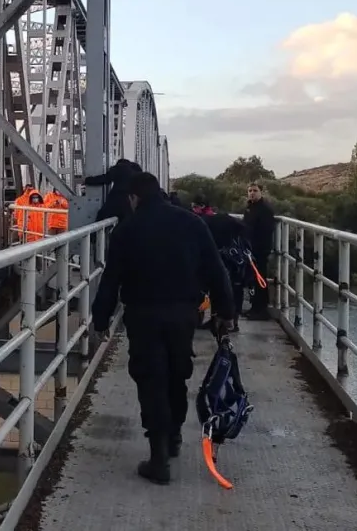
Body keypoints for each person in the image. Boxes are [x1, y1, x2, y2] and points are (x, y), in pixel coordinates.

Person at [90, 172, 234, 486]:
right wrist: (226, 311)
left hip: (143, 316)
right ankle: (175, 436)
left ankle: (158, 457)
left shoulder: (127, 229)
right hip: (183, 314)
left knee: (150, 380)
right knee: (176, 374)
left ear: (133, 198)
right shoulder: (192, 223)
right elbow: (215, 269)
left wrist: (99, 320)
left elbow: (111, 280)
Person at [243, 182, 275, 320]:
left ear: (261, 192)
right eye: (249, 190)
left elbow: (266, 232)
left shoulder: (265, 210)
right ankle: (255, 307)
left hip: (260, 250)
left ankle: (262, 310)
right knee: (253, 280)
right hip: (250, 249)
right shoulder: (250, 208)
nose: (252, 193)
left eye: (255, 190)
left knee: (260, 278)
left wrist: (259, 248)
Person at [84, 158, 142, 223]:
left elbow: (106, 179)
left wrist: (88, 180)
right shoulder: (136, 169)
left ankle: (94, 233)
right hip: (131, 202)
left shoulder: (120, 168)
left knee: (101, 216)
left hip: (116, 199)